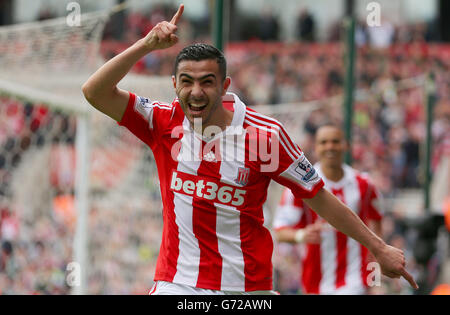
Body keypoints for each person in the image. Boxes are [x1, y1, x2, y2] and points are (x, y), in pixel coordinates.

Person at [82, 4, 418, 295]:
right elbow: (95, 91)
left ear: (225, 85)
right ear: (174, 85)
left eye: (207, 82)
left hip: (245, 287)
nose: (195, 92)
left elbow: (318, 196)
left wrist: (379, 247)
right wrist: (146, 44)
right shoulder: (162, 121)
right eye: (186, 81)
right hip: (177, 282)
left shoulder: (266, 136)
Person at [273, 124, 384, 294]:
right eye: (324, 142)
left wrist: (374, 276)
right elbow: (280, 232)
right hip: (314, 283)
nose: (330, 147)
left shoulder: (364, 185)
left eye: (335, 141)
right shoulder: (298, 185)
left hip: (355, 281)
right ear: (316, 147)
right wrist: (302, 235)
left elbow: (377, 224)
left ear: (346, 145)